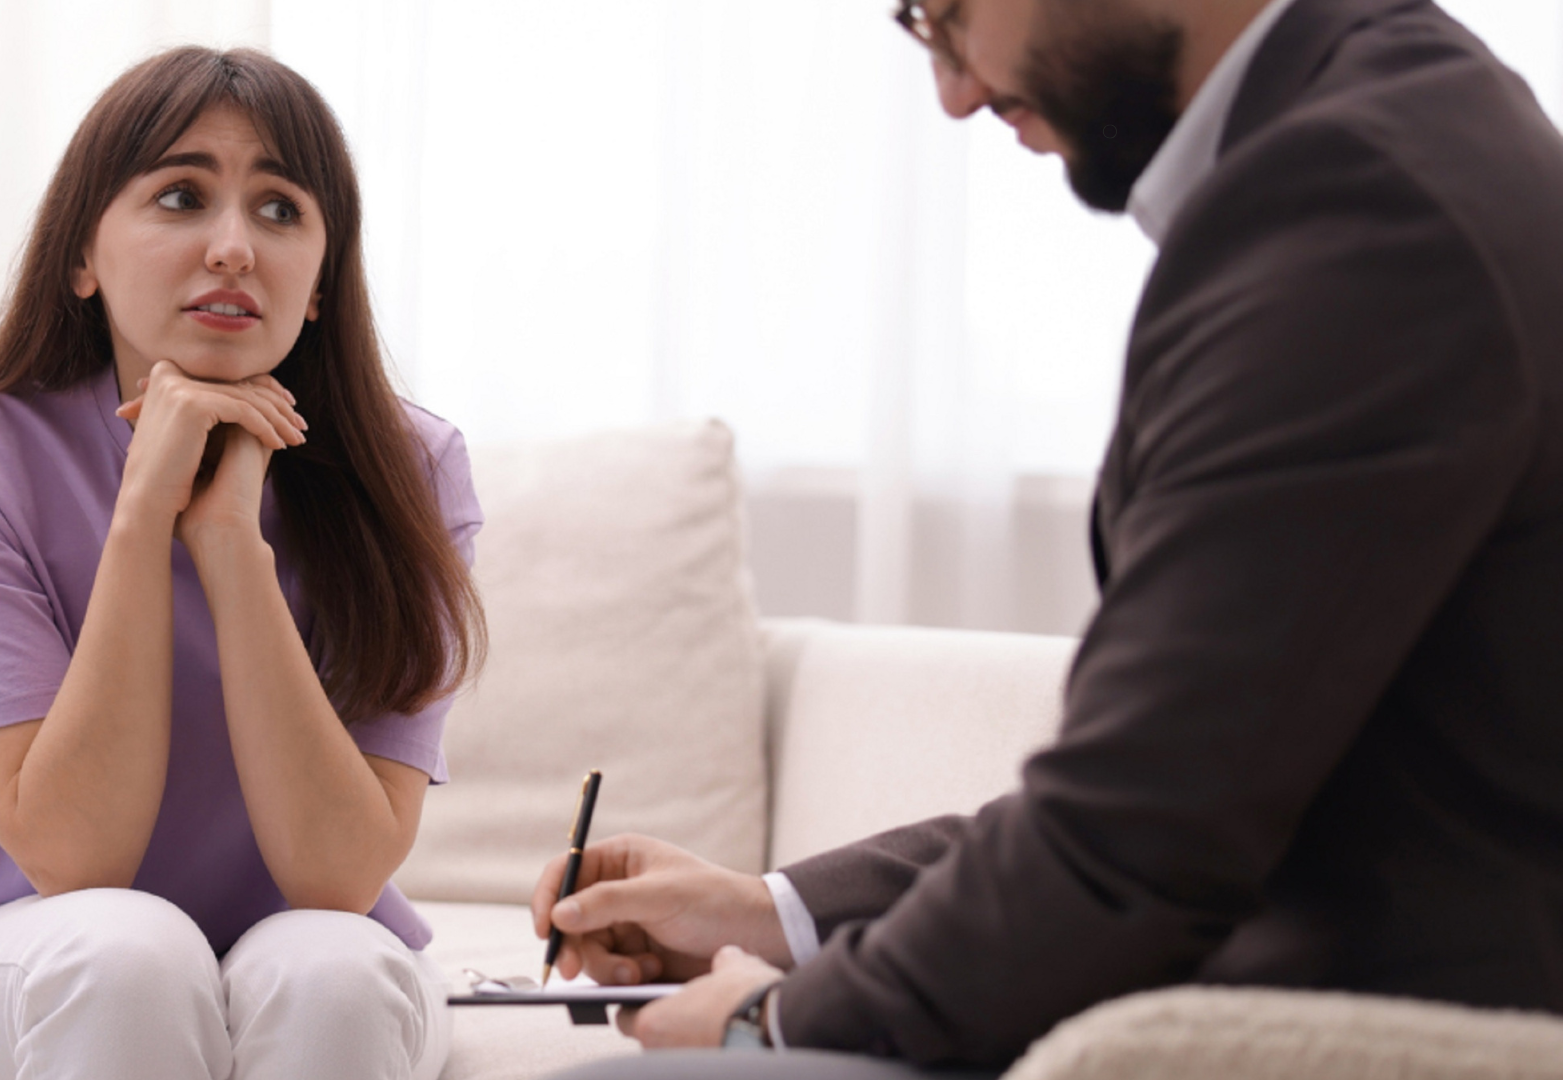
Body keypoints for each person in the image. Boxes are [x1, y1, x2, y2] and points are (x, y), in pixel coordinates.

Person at [537, 0, 1563, 1076]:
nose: (956, 91)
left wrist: (770, 1019)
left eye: (947, 14)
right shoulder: (1405, 124)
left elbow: (1130, 846)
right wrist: (771, 914)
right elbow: (1164, 785)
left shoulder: (1357, 209)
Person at [0, 47, 484, 1080]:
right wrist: (145, 512)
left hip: (298, 940)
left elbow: (339, 873)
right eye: (182, 196)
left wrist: (231, 541)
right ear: (83, 256)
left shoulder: (415, 470)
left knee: (338, 975)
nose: (234, 247)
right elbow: (76, 859)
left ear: (319, 283)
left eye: (280, 210)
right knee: (128, 951)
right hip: (17, 936)